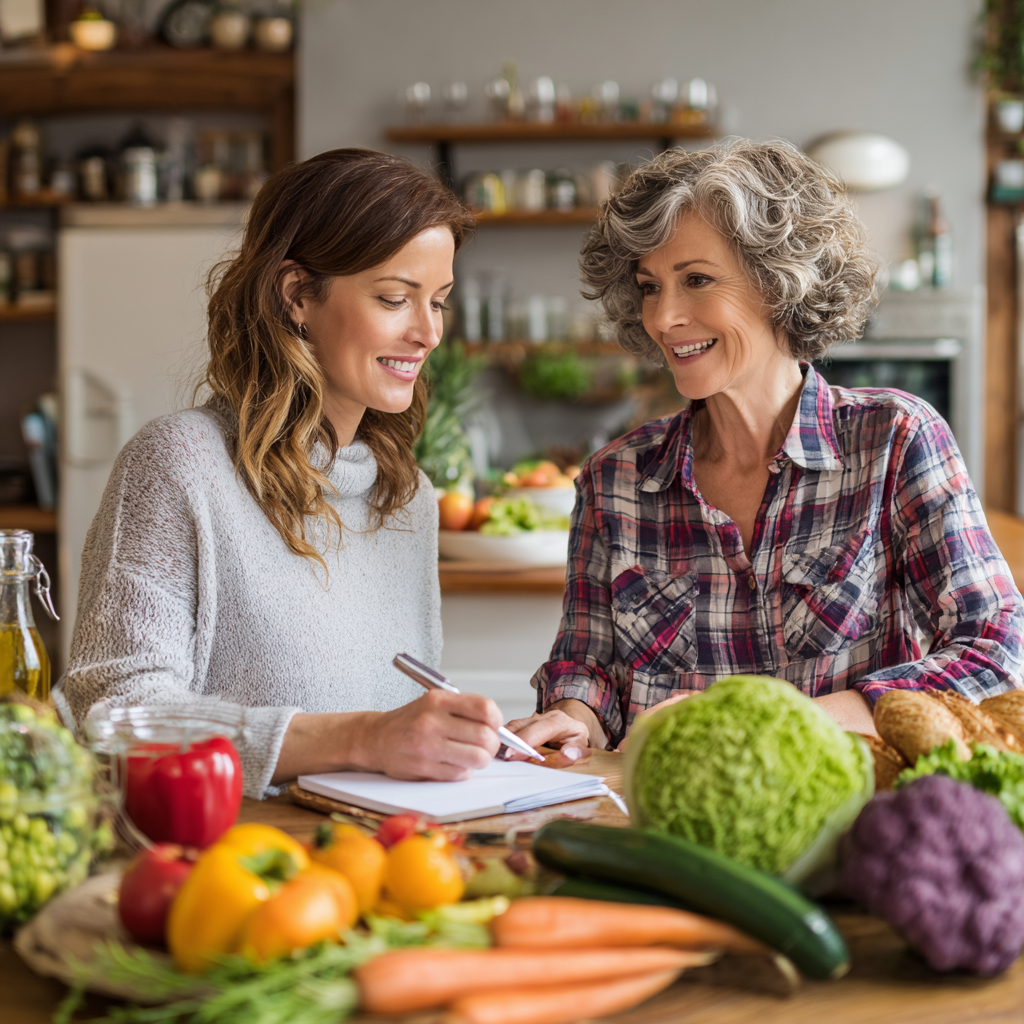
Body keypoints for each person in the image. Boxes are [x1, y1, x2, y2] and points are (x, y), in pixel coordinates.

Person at [506, 139, 1024, 755]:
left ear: (779, 283)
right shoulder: (614, 479)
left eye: (696, 279)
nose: (663, 316)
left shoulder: (894, 441)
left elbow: (995, 648)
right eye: (649, 287)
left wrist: (775, 721)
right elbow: (586, 670)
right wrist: (572, 718)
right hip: (658, 832)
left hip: (854, 827)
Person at [62, 149, 507, 798]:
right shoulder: (177, 466)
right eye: (394, 298)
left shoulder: (406, 497)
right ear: (298, 294)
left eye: (437, 302)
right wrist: (361, 738)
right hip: (229, 875)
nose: (427, 333)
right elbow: (113, 716)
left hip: (375, 867)